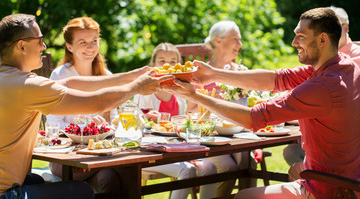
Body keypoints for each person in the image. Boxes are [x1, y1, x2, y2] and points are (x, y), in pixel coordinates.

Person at [165, 7, 360, 199]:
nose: (293, 43)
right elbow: (277, 79)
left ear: (323, 40)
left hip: (326, 190)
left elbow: (252, 118)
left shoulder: (321, 87)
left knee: (242, 197)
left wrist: (195, 96)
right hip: (346, 182)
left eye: (301, 36)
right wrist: (214, 75)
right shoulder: (344, 65)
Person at [0, 13, 172, 199]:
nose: (44, 46)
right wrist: (136, 87)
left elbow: (70, 84)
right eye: (40, 40)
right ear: (21, 46)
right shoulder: (27, 86)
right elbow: (97, 103)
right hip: (7, 193)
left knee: (39, 182)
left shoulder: (11, 79)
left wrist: (131, 76)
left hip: (14, 182)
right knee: (82, 192)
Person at [45, 17, 122, 193]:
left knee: (110, 178)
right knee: (123, 170)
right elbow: (53, 124)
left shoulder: (106, 75)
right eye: (83, 42)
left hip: (99, 154)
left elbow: (115, 119)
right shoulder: (60, 77)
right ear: (69, 46)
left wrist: (108, 126)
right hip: (66, 156)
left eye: (94, 41)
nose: (90, 47)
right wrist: (86, 129)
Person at [133, 42, 216, 199]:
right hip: (151, 151)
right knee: (188, 170)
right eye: (162, 61)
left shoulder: (179, 93)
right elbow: (134, 122)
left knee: (210, 168)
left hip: (177, 149)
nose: (167, 66)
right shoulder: (146, 91)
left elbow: (179, 127)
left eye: (172, 62)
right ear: (153, 65)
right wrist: (148, 120)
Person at [283, 6, 360, 167]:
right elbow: (287, 80)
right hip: (321, 133)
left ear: (343, 28)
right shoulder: (320, 61)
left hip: (346, 148)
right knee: (291, 151)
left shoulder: (353, 61)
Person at [188, 20, 256, 197]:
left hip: (237, 134)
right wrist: (213, 104)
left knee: (248, 161)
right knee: (229, 167)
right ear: (218, 41)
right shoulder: (199, 74)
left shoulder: (241, 71)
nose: (240, 45)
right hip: (208, 137)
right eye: (235, 39)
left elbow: (253, 104)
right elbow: (189, 112)